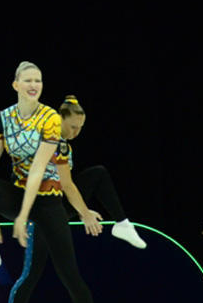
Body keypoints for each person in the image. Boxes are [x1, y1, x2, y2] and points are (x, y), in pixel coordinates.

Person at [0, 62, 113, 303]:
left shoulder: (50, 118)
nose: (33, 85)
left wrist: (23, 217)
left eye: (38, 80)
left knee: (66, 273)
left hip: (47, 202)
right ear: (16, 85)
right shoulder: (1, 120)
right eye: (28, 80)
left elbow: (38, 170)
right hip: (17, 194)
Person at [57, 95, 147, 249]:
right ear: (60, 119)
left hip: (57, 201)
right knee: (98, 174)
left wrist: (81, 210)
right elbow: (66, 185)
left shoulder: (65, 145)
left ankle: (122, 223)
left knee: (98, 173)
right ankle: (122, 224)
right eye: (73, 127)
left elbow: (63, 185)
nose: (76, 132)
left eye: (80, 127)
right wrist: (85, 214)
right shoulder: (54, 142)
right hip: (45, 205)